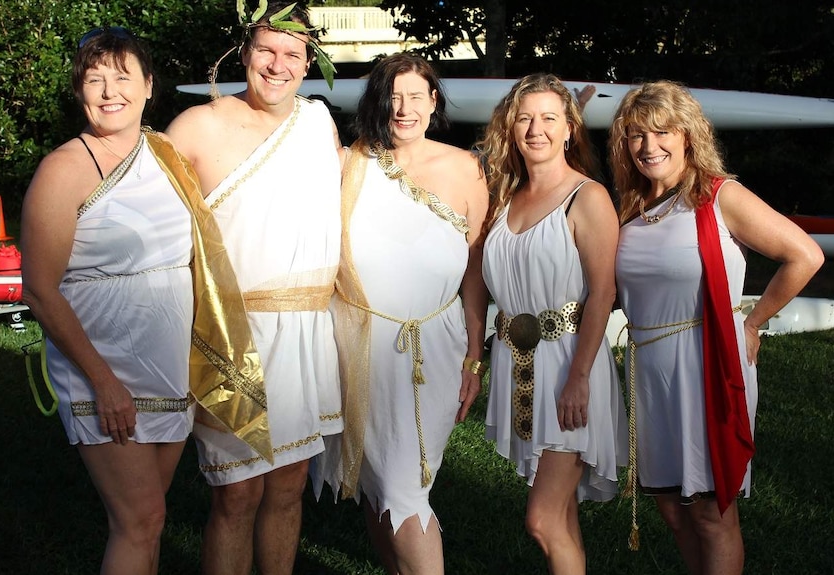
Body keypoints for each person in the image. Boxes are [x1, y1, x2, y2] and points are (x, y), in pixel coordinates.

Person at [21, 27, 216, 575]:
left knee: (148, 524)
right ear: (79, 91)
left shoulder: (169, 156)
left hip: (168, 363)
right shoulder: (64, 169)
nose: (109, 91)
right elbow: (38, 287)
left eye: (122, 77)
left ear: (149, 86)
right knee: (140, 520)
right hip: (101, 364)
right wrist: (104, 381)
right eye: (94, 78)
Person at [608, 80, 824, 574]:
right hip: (649, 371)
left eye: (663, 132)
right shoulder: (632, 207)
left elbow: (805, 255)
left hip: (705, 366)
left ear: (688, 136)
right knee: (669, 505)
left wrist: (752, 322)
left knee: (710, 512)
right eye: (637, 135)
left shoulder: (716, 194)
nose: (649, 146)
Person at [166, 3, 343, 574]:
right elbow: (153, 226)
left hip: (308, 331)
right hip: (231, 333)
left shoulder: (318, 123)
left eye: (292, 54)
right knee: (235, 494)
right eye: (267, 49)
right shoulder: (198, 126)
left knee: (289, 486)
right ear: (243, 53)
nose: (278, 64)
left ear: (308, 62)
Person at [310, 52, 489, 575]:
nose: (402, 107)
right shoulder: (350, 163)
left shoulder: (468, 169)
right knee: (375, 483)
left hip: (433, 345)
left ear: (434, 102)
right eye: (392, 96)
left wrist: (475, 354)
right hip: (355, 341)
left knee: (402, 487)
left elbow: (476, 270)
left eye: (415, 96)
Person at [477, 73, 628, 575]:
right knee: (560, 517)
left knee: (542, 520)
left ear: (569, 128)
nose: (535, 129)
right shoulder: (504, 198)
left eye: (548, 118)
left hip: (569, 366)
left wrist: (579, 377)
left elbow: (603, 293)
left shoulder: (587, 197)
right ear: (511, 127)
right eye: (524, 118)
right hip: (518, 366)